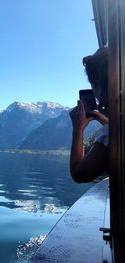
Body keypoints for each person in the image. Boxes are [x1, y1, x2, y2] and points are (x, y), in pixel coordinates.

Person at [69, 47, 109, 183]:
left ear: (98, 84)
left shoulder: (113, 132)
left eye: (92, 85)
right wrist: (107, 122)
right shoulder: (114, 127)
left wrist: (78, 129)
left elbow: (78, 174)